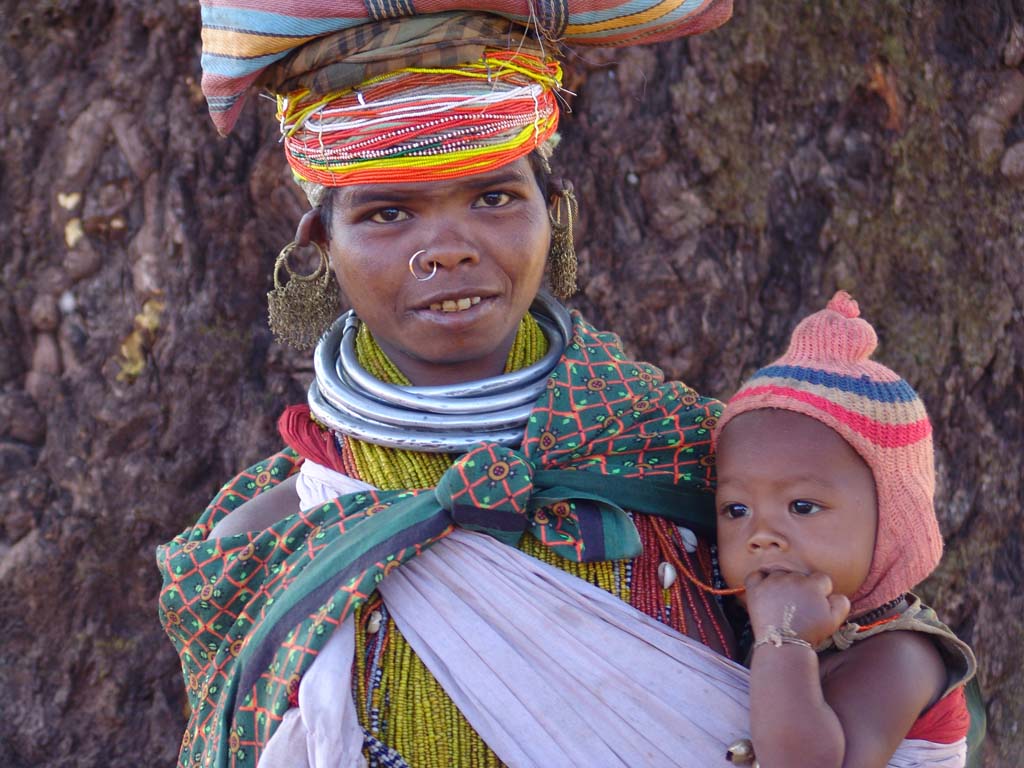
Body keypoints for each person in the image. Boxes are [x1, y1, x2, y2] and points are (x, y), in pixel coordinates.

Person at [156, 3, 755, 768]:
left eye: (494, 197)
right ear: (319, 246)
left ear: (556, 213)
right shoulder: (263, 548)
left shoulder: (698, 466)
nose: (446, 249)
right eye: (388, 212)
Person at [712, 291, 977, 768]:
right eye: (735, 510)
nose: (761, 535)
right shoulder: (741, 623)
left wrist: (784, 639)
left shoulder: (901, 655)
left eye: (802, 505)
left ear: (894, 521)